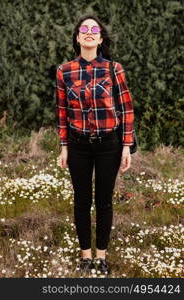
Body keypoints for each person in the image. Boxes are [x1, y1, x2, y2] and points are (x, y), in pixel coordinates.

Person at [56, 14, 134, 275]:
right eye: (84, 29)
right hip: (78, 146)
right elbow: (62, 112)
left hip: (108, 146)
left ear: (100, 39)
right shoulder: (64, 71)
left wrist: (126, 146)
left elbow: (126, 109)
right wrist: (64, 147)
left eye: (94, 29)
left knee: (104, 201)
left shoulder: (114, 69)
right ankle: (85, 256)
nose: (89, 32)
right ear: (77, 37)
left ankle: (101, 256)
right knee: (81, 201)